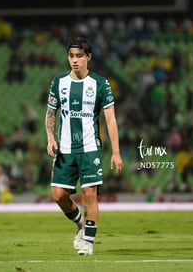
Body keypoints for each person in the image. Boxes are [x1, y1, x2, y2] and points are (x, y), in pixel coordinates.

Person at [45, 37, 123, 256]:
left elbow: (111, 120)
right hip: (65, 149)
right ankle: (80, 222)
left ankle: (88, 242)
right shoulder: (58, 82)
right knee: (58, 195)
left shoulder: (100, 83)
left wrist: (116, 152)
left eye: (79, 56)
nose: (74, 60)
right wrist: (51, 138)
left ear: (88, 57)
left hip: (89, 148)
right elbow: (51, 115)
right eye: (71, 56)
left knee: (90, 194)